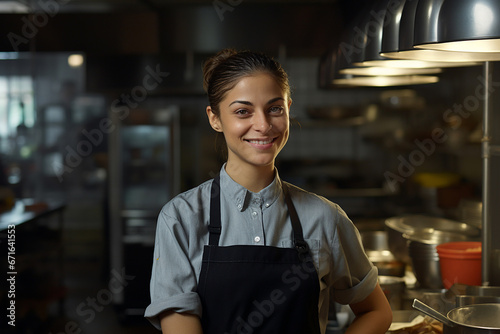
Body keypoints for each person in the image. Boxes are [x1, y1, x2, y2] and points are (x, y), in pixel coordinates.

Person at [144, 49, 392, 334]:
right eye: (242, 112)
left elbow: (376, 310)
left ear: (288, 108)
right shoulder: (181, 218)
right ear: (214, 118)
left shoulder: (325, 218)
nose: (262, 125)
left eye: (274, 108)